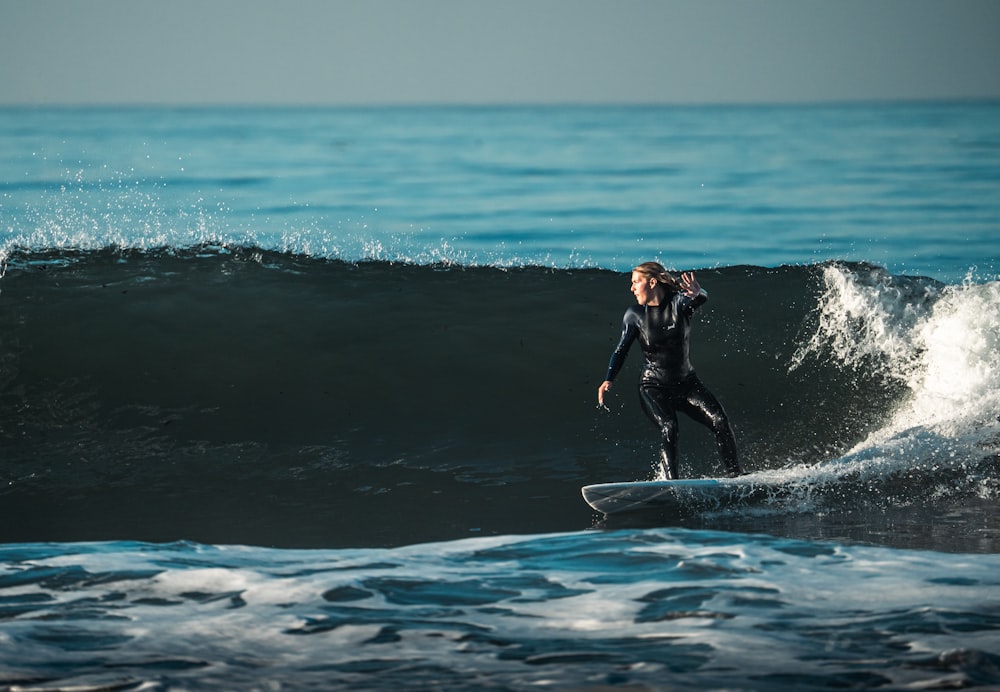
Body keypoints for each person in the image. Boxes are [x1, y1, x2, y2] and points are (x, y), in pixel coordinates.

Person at [597, 261, 744, 479]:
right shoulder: (634, 314)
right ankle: (672, 483)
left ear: (652, 282)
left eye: (636, 282)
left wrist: (699, 292)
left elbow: (700, 298)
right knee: (669, 426)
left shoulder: (679, 304)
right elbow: (621, 349)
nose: (632, 288)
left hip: (687, 384)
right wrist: (609, 379)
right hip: (653, 386)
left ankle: (735, 476)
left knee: (719, 421)